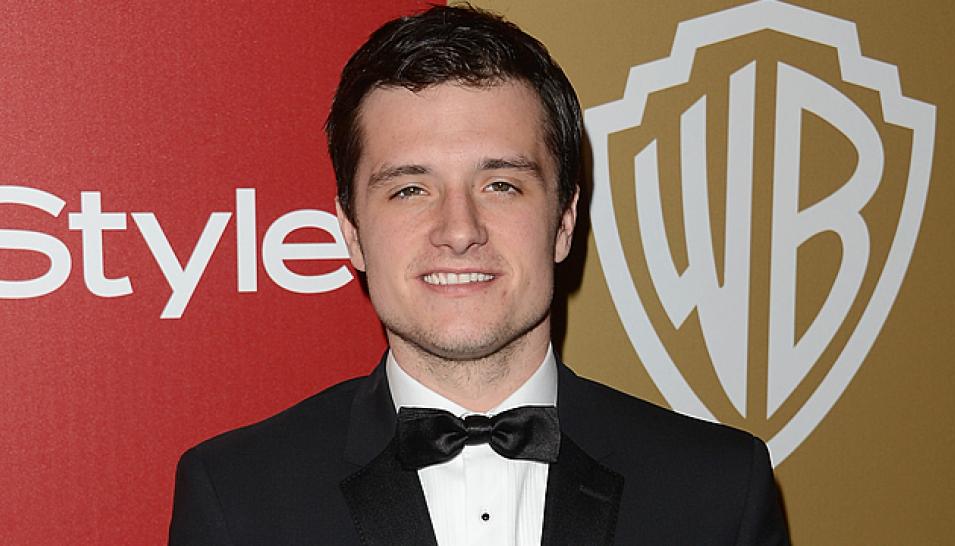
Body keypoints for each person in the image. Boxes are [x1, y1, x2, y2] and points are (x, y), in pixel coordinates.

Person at [169, 5, 790, 545]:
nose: (459, 229)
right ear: (352, 232)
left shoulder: (718, 489)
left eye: (501, 185)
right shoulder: (237, 497)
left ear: (565, 221)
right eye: (410, 189)